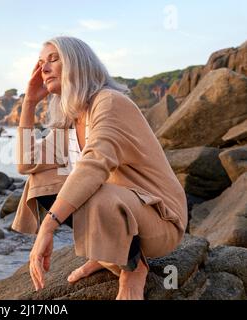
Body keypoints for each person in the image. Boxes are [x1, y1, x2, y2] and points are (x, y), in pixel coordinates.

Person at [11, 36, 188, 300]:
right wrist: (29, 103)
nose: (43, 69)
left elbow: (93, 166)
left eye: (53, 59)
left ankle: (133, 269)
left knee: (96, 190)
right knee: (40, 180)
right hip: (123, 211)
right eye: (40, 63)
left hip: (160, 218)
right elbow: (27, 163)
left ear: (77, 63)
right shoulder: (71, 120)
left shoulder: (110, 102)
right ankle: (108, 254)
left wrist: (47, 228)